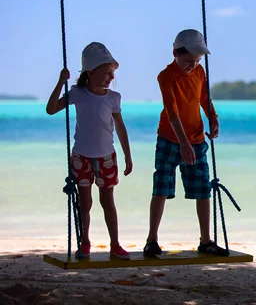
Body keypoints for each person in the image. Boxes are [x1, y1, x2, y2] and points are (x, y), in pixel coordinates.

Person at [144, 29, 229, 257]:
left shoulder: (199, 72)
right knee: (161, 188)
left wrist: (213, 118)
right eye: (189, 60)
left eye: (197, 61)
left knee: (203, 190)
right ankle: (152, 240)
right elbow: (172, 112)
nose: (193, 65)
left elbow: (203, 99)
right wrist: (183, 144)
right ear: (175, 54)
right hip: (170, 139)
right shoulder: (166, 76)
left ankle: (206, 240)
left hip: (197, 139)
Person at [46, 42, 133, 260]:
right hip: (82, 157)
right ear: (90, 72)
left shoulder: (113, 98)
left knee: (108, 201)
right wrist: (60, 82)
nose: (111, 78)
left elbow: (120, 128)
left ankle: (115, 243)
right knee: (85, 202)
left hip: (106, 157)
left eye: (112, 73)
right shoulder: (77, 93)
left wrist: (127, 155)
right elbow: (51, 109)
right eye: (106, 73)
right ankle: (85, 242)